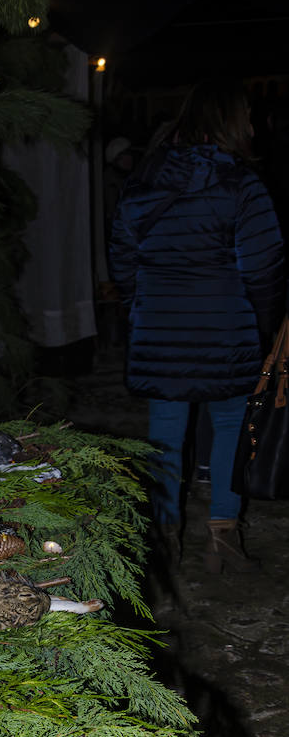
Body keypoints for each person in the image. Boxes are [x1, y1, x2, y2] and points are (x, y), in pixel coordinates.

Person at [109, 78, 284, 573]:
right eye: (247, 117)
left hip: (160, 329)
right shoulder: (242, 185)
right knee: (230, 427)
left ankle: (166, 538)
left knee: (164, 434)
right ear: (230, 122)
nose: (254, 126)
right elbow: (265, 268)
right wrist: (266, 325)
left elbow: (122, 259)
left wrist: (140, 311)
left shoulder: (144, 181)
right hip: (227, 329)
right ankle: (222, 538)